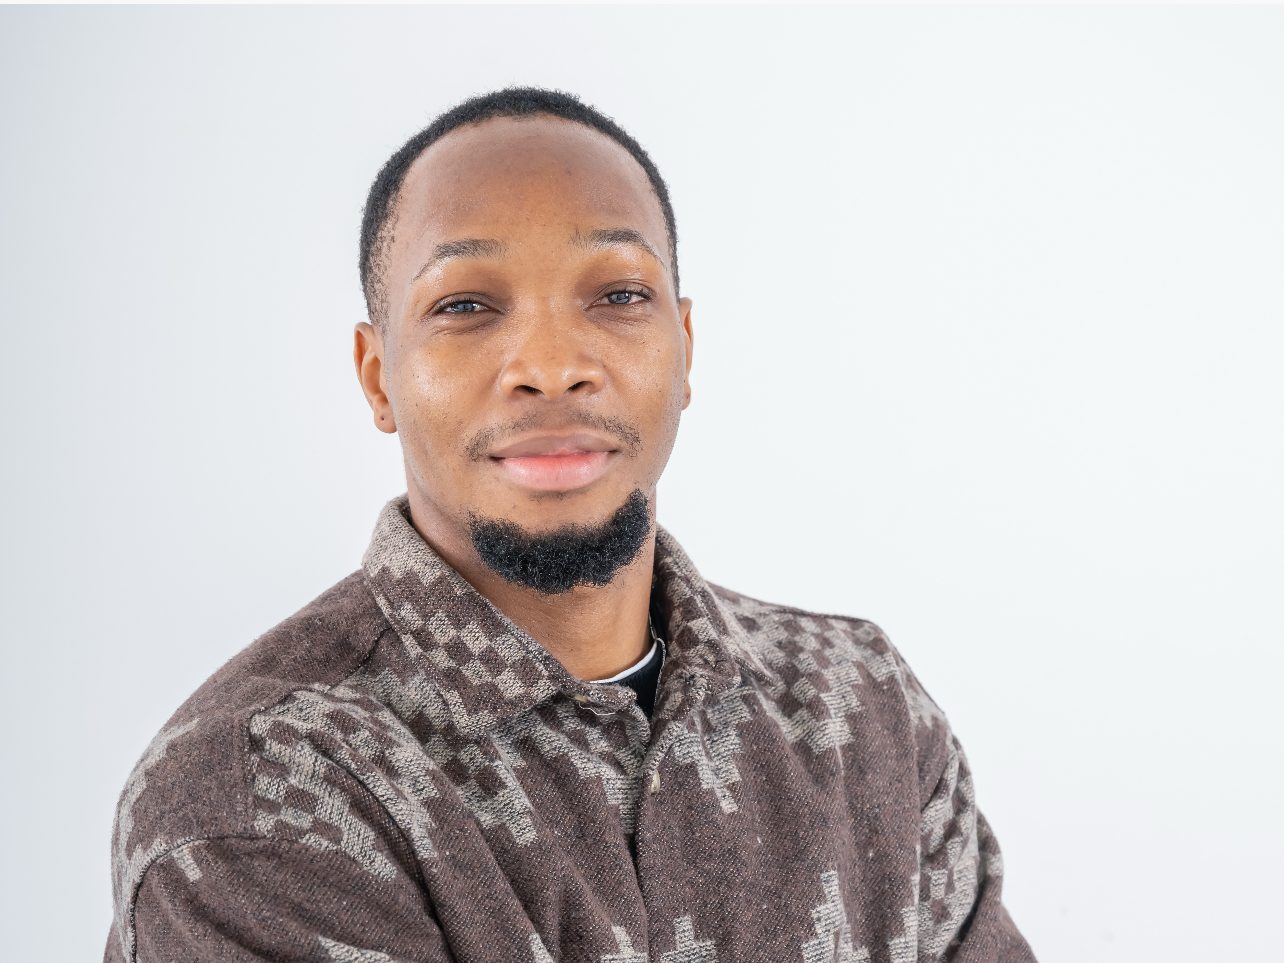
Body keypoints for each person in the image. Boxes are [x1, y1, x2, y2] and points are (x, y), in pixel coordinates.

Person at [103, 85, 1037, 963]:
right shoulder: (260, 789)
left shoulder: (861, 708)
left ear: (684, 348)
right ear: (378, 375)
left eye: (618, 295)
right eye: (466, 305)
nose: (551, 365)